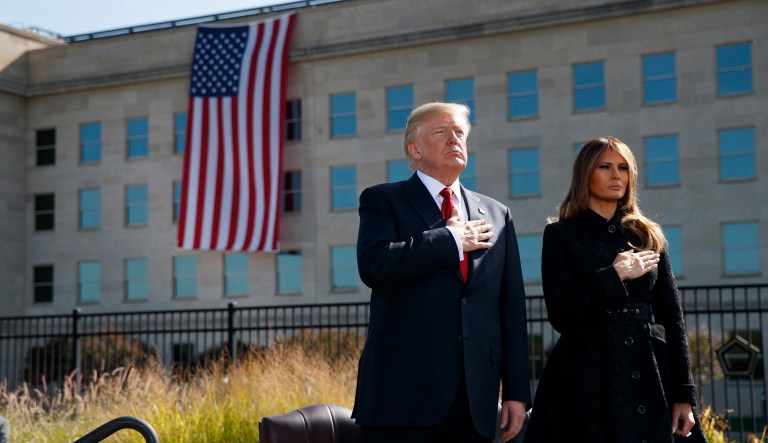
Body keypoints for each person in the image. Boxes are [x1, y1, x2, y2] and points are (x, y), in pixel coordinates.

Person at [352, 102, 531, 443]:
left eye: (460, 133)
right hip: (401, 397)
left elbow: (511, 307)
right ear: (414, 149)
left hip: (474, 400)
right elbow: (374, 265)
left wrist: (517, 392)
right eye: (441, 132)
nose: (454, 140)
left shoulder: (496, 213)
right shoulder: (383, 200)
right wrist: (450, 240)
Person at [523, 137, 707, 443]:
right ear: (586, 174)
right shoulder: (560, 235)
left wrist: (684, 395)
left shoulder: (647, 234)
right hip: (587, 379)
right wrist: (615, 275)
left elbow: (672, 318)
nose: (616, 175)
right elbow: (561, 315)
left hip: (651, 373)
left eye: (623, 168)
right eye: (605, 167)